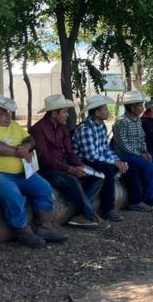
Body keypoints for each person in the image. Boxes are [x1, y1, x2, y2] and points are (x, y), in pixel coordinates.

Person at [0, 94, 68, 248]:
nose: (8, 115)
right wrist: (17, 151)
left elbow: (30, 139)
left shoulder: (13, 125)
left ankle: (44, 226)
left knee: (43, 188)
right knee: (12, 193)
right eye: (3, 112)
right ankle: (22, 231)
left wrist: (26, 147)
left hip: (21, 172)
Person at [31, 95, 109, 230]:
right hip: (46, 169)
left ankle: (81, 215)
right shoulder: (38, 129)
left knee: (98, 177)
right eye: (65, 112)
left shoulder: (62, 127)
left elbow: (69, 152)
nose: (67, 115)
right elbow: (44, 158)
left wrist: (80, 165)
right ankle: (91, 216)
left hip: (64, 165)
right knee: (72, 180)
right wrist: (70, 169)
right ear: (54, 114)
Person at [72, 95, 129, 220]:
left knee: (121, 163)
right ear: (97, 113)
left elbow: (104, 149)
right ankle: (108, 209)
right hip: (83, 161)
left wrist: (117, 160)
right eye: (105, 109)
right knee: (108, 169)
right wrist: (114, 163)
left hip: (95, 159)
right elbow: (91, 156)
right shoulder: (85, 128)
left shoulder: (101, 126)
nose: (108, 111)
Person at [112, 91, 153, 211]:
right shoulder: (121, 122)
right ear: (132, 108)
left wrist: (145, 152)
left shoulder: (138, 120)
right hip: (124, 155)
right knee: (147, 165)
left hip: (137, 154)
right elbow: (122, 145)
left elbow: (141, 138)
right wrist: (140, 154)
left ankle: (149, 196)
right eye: (140, 105)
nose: (142, 108)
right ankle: (148, 198)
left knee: (150, 162)